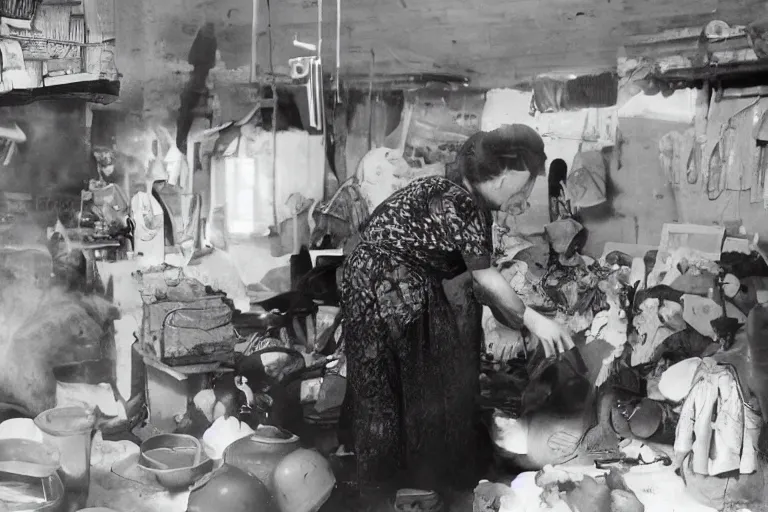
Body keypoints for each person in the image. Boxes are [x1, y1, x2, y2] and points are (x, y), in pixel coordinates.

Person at [339, 124, 574, 494]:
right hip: (386, 282)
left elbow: (478, 286)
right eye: (525, 183)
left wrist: (521, 318)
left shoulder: (461, 199)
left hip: (386, 279)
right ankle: (399, 487)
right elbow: (484, 279)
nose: (525, 194)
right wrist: (533, 319)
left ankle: (408, 482)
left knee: (409, 382)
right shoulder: (458, 202)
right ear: (503, 177)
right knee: (405, 384)